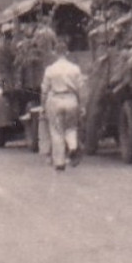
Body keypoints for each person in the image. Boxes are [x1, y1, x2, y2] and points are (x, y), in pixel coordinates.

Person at [40, 41, 86, 171]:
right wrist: (81, 106)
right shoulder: (75, 68)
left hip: (55, 99)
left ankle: (59, 162)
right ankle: (72, 147)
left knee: (57, 131)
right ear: (67, 52)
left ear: (55, 53)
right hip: (71, 99)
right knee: (71, 128)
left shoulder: (50, 69)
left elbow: (44, 90)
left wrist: (43, 107)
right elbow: (80, 89)